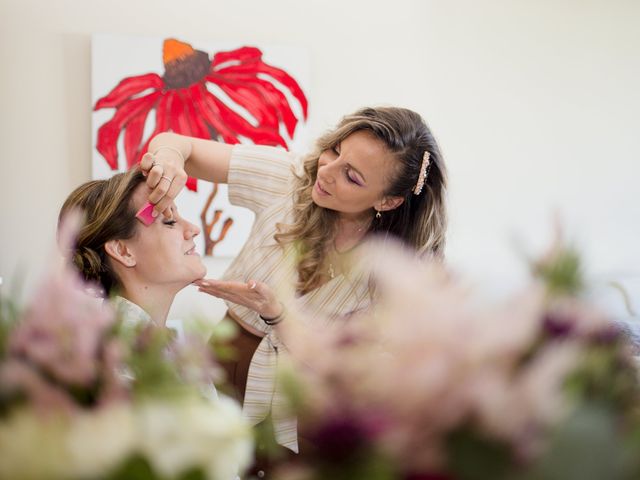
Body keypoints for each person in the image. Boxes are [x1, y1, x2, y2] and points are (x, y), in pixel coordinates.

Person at [140, 106, 448, 453]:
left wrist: (280, 316)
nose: (326, 171)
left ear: (388, 200)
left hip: (308, 406)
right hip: (225, 362)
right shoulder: (288, 178)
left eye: (352, 176)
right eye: (335, 150)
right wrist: (168, 158)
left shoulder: (398, 270)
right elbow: (181, 146)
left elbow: (367, 375)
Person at [58, 167, 206, 329]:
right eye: (169, 222)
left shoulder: (150, 343)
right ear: (122, 251)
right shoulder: (119, 350)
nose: (194, 229)